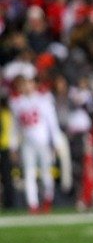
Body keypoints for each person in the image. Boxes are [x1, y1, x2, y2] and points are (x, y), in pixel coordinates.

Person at [8, 74, 66, 214]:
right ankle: (32, 205)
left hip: (43, 143)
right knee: (29, 174)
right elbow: (15, 127)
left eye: (29, 83)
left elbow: (52, 123)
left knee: (46, 175)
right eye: (24, 84)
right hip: (27, 144)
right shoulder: (17, 103)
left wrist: (56, 142)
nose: (26, 86)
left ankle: (47, 199)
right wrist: (13, 146)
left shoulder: (43, 100)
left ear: (34, 85)